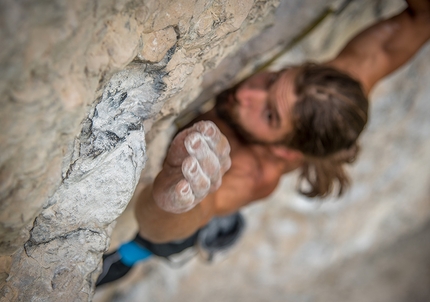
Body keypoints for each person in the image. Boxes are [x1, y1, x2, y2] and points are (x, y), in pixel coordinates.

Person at [96, 0, 430, 286]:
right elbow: (421, 19)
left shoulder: (252, 175)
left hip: (178, 225)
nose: (246, 94)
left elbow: (163, 227)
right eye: (272, 79)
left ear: (285, 150)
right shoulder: (330, 89)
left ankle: (129, 258)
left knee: (155, 242)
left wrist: (171, 196)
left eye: (269, 115)